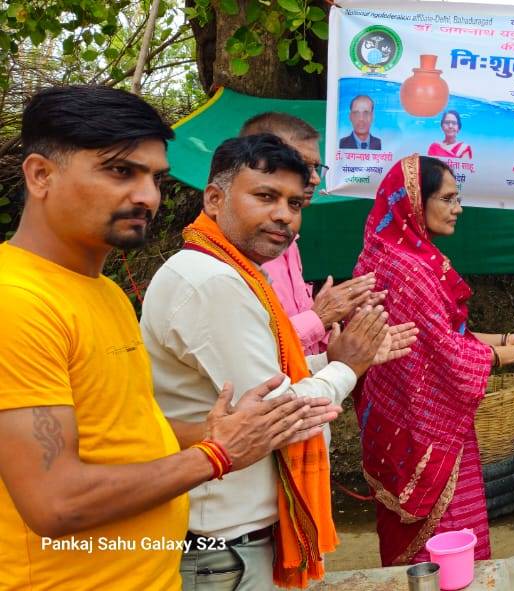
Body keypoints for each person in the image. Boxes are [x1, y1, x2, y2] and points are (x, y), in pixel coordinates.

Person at [0, 85, 326, 590]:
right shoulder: (17, 301)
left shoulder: (105, 293)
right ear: (41, 174)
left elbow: (123, 432)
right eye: (120, 171)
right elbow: (57, 502)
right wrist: (217, 455)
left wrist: (213, 433)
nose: (147, 196)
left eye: (154, 177)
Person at [141, 134, 417, 589]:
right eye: (266, 197)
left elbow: (263, 377)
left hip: (235, 537)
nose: (284, 215)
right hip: (226, 545)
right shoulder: (212, 281)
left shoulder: (232, 271)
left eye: (294, 203)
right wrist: (345, 368)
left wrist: (329, 359)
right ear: (214, 199)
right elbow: (276, 413)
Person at [353, 155, 514, 566]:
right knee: (446, 543)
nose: (458, 208)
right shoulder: (410, 270)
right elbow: (444, 353)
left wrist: (508, 339)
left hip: (398, 425)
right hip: (427, 429)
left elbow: (436, 334)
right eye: (447, 198)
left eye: (457, 198)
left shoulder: (381, 254)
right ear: (414, 202)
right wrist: (510, 355)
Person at [240, 112, 381, 357]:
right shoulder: (236, 249)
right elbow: (252, 350)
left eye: (316, 168)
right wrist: (320, 316)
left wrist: (341, 318)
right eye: (303, 166)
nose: (315, 179)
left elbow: (298, 332)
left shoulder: (288, 239)